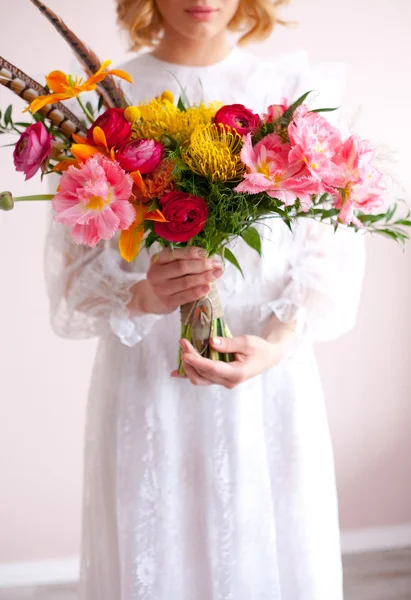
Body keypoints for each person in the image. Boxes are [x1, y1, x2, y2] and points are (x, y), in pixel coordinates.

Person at [45, 1, 365, 598]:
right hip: (148, 383)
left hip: (269, 380)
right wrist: (140, 294)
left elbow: (329, 247)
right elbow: (73, 272)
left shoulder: (290, 93)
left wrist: (274, 347)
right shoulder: (107, 97)